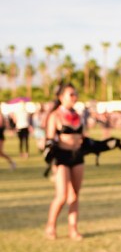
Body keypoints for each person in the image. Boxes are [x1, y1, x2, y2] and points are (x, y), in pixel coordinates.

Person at [44, 83, 86, 240]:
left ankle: (73, 229)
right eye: (71, 94)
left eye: (76, 94)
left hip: (77, 156)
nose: (75, 97)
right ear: (61, 97)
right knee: (62, 196)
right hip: (61, 157)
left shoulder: (78, 115)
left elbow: (83, 136)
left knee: (74, 196)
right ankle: (51, 226)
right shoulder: (55, 116)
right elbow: (49, 139)